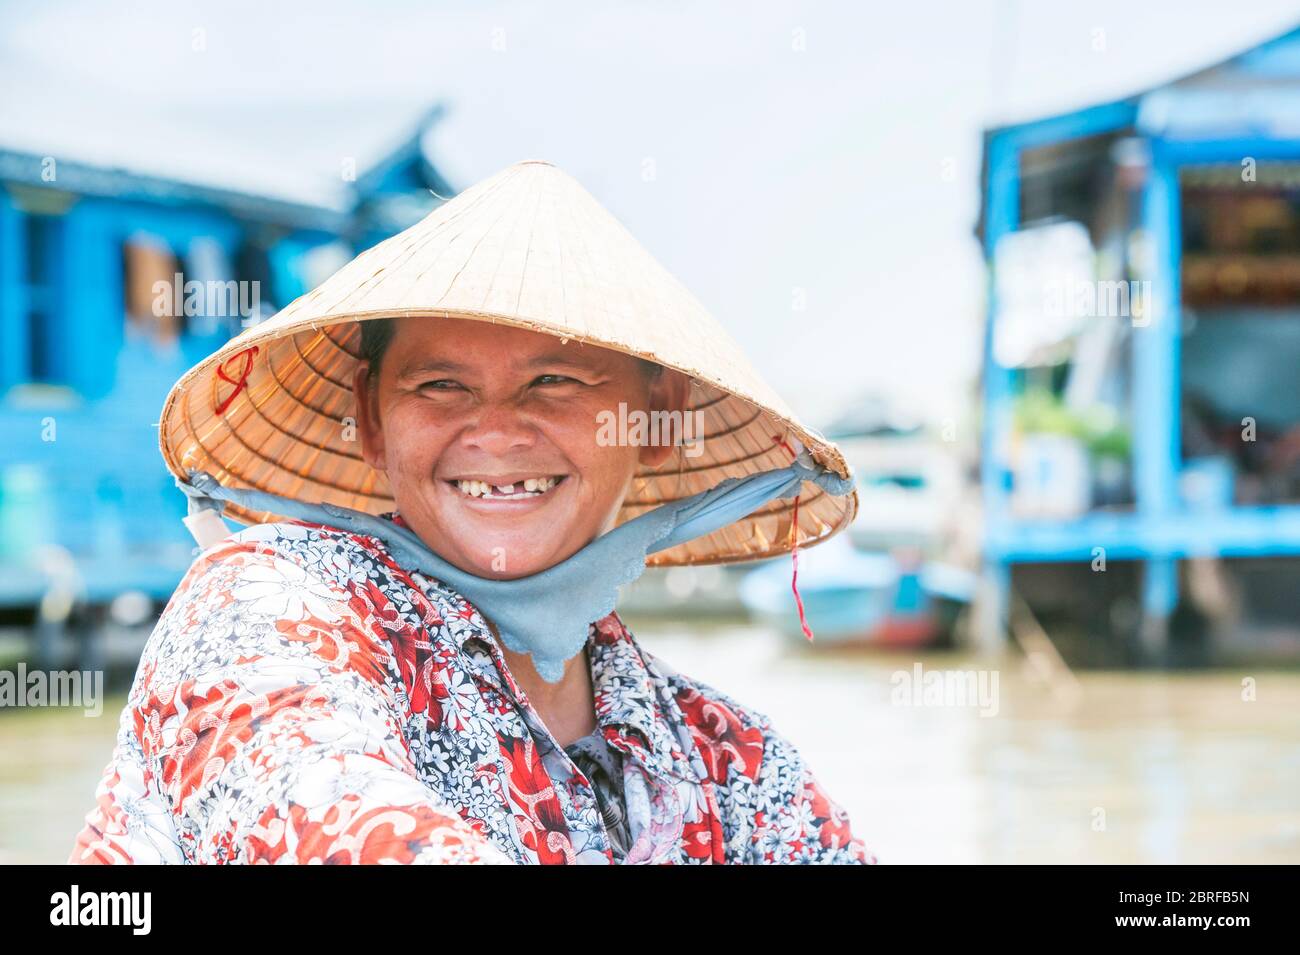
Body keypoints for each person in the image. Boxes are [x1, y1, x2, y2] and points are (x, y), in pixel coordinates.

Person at [69, 160, 877, 865]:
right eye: (440, 385)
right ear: (374, 420)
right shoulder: (264, 613)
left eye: (556, 382)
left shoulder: (726, 756)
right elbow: (332, 823)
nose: (494, 432)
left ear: (654, 416)